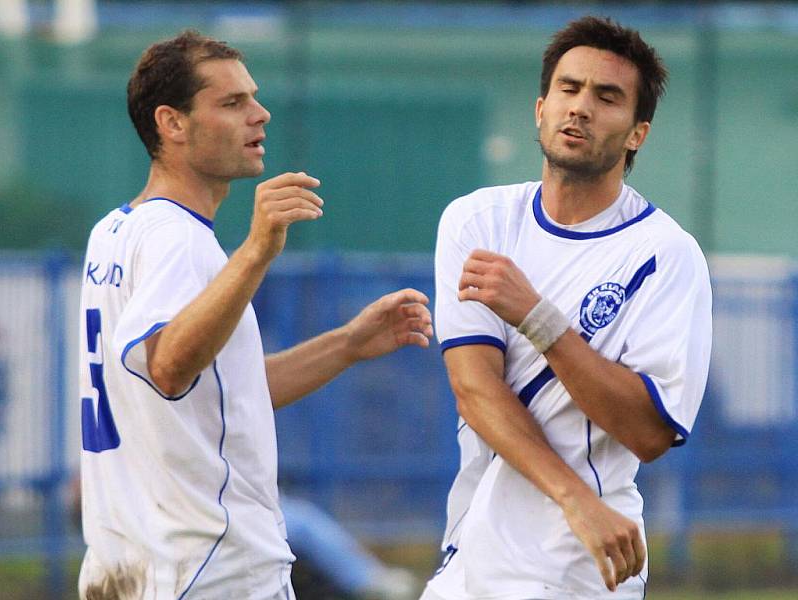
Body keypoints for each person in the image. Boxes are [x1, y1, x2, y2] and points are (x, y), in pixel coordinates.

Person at [77, 30, 433, 600]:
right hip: (211, 566)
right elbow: (171, 367)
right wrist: (257, 249)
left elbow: (219, 390)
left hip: (134, 563)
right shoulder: (180, 238)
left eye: (254, 98)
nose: (260, 115)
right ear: (171, 123)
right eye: (233, 103)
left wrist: (346, 343)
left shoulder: (115, 230)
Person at [422, 16, 712, 600]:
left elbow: (650, 432)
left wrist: (537, 316)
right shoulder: (477, 221)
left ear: (638, 133)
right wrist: (574, 498)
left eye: (607, 98)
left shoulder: (664, 254)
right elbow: (474, 389)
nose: (579, 108)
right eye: (568, 89)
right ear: (540, 107)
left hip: (579, 568)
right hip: (470, 555)